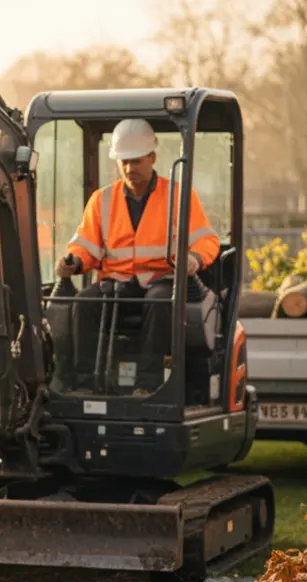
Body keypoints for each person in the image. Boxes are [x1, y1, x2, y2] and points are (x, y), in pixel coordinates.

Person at [57, 118, 221, 394]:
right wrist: (73, 261)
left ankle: (147, 385)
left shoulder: (179, 196)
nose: (130, 168)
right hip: (117, 284)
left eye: (136, 161)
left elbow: (207, 240)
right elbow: (86, 245)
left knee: (160, 301)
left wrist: (194, 259)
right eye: (125, 162)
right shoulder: (102, 200)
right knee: (84, 303)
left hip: (160, 281)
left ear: (152, 157)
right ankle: (84, 385)